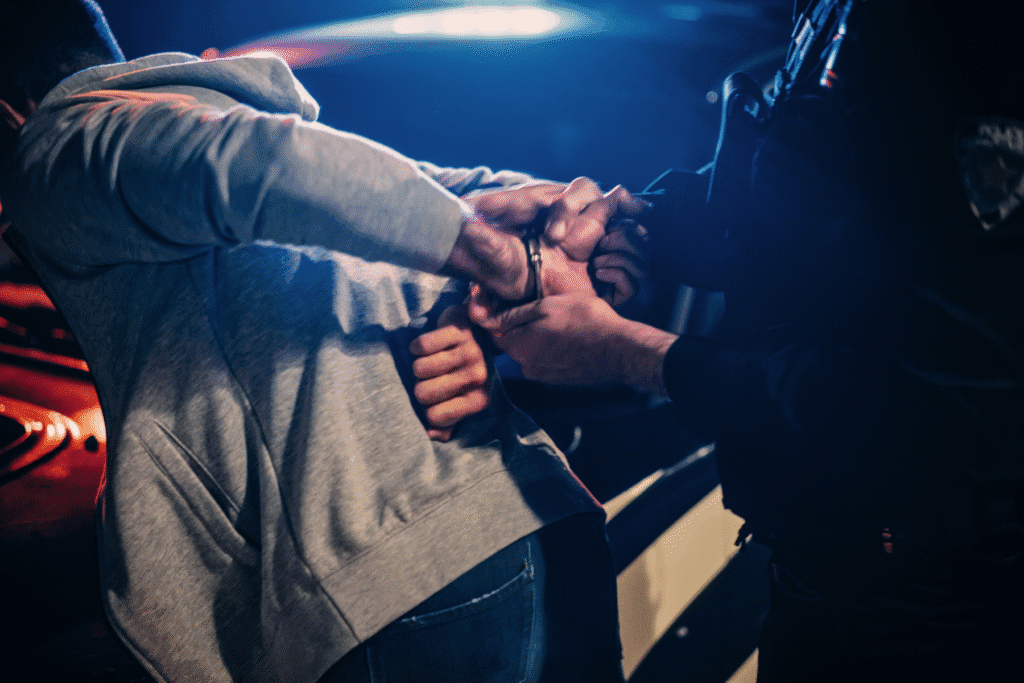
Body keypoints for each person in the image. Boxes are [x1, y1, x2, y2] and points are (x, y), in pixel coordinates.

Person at [0, 1, 648, 681]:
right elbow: (453, 194)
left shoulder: (60, 143)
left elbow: (269, 164)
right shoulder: (216, 125)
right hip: (534, 532)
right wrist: (586, 221)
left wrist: (515, 270)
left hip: (398, 592)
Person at [470, 1, 1023, 680]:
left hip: (945, 610)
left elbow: (936, 400)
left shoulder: (976, 35)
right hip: (825, 576)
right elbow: (810, 201)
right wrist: (640, 226)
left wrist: (627, 352)